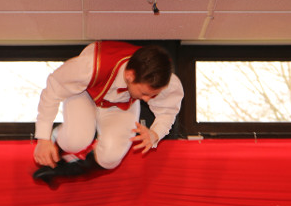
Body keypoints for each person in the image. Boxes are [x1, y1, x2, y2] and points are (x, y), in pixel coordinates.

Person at [33, 41, 184, 186]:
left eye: (153, 95)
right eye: (144, 93)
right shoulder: (88, 66)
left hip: (121, 104)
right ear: (130, 75)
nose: (147, 100)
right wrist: (43, 139)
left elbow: (168, 111)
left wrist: (155, 134)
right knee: (76, 140)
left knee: (111, 156)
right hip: (84, 93)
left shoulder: (164, 80)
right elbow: (52, 91)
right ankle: (56, 143)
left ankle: (66, 171)